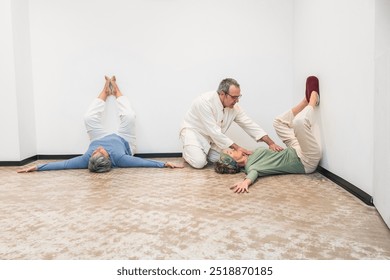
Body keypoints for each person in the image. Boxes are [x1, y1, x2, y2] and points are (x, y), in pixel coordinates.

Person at [17, 76, 182, 173]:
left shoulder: (87, 159)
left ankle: (105, 91)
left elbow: (63, 165)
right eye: (98, 152)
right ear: (107, 157)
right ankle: (116, 90)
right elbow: (142, 163)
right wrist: (164, 164)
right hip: (124, 140)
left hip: (99, 137)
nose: (95, 150)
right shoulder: (120, 158)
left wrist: (37, 168)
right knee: (130, 116)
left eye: (94, 152)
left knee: (88, 117)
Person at [215, 76, 322, 193]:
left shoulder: (250, 155)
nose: (232, 150)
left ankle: (304, 101)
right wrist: (245, 182)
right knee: (298, 122)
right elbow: (252, 175)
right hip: (306, 160)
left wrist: (271, 143)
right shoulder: (251, 166)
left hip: (295, 149)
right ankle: (313, 99)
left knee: (278, 122)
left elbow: (250, 126)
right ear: (234, 162)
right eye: (230, 152)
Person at [180, 78, 283, 169]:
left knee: (228, 160)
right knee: (199, 163)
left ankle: (201, 153)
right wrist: (238, 148)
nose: (237, 100)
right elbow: (214, 131)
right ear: (222, 94)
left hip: (212, 139)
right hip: (194, 133)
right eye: (234, 97)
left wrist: (271, 143)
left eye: (238, 97)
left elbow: (249, 124)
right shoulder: (203, 102)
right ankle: (188, 153)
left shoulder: (234, 108)